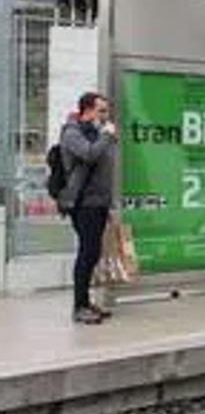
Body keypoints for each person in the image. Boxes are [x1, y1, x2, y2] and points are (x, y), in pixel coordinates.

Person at [58, 92, 119, 324]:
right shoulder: (72, 133)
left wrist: (109, 203)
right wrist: (106, 136)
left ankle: (85, 302)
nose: (105, 116)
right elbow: (89, 154)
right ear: (87, 110)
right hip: (83, 204)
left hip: (98, 202)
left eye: (106, 111)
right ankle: (79, 307)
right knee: (87, 253)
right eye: (101, 110)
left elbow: (104, 170)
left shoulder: (95, 133)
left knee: (92, 253)